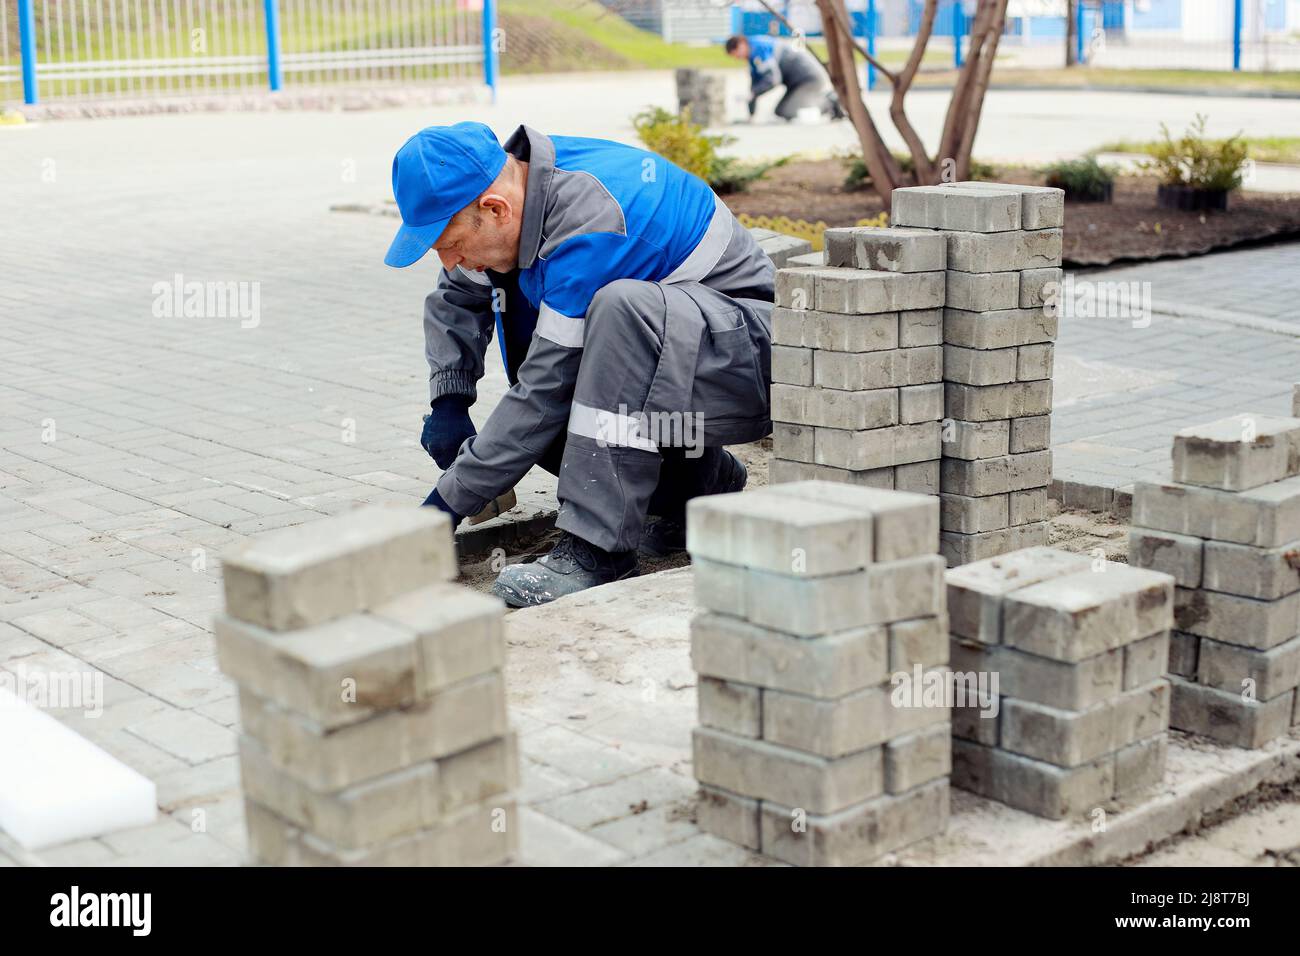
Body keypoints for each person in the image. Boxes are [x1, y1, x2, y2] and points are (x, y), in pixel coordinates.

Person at [385, 122, 774, 607]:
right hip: (677, 356)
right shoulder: (516, 193)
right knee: (542, 409)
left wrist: (443, 508)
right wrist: (450, 399)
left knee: (613, 317)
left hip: (742, 353)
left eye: (450, 243)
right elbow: (458, 297)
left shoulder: (590, 223)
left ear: (495, 209)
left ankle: (598, 549)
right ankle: (696, 486)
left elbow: (544, 392)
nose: (449, 261)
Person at [725, 33, 839, 122]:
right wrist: (751, 114)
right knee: (780, 111)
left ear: (741, 44)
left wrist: (753, 93)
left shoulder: (759, 48)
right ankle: (824, 101)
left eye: (737, 54)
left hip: (808, 80)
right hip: (795, 84)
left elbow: (773, 80)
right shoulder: (752, 55)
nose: (738, 58)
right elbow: (755, 86)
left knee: (789, 112)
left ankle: (831, 102)